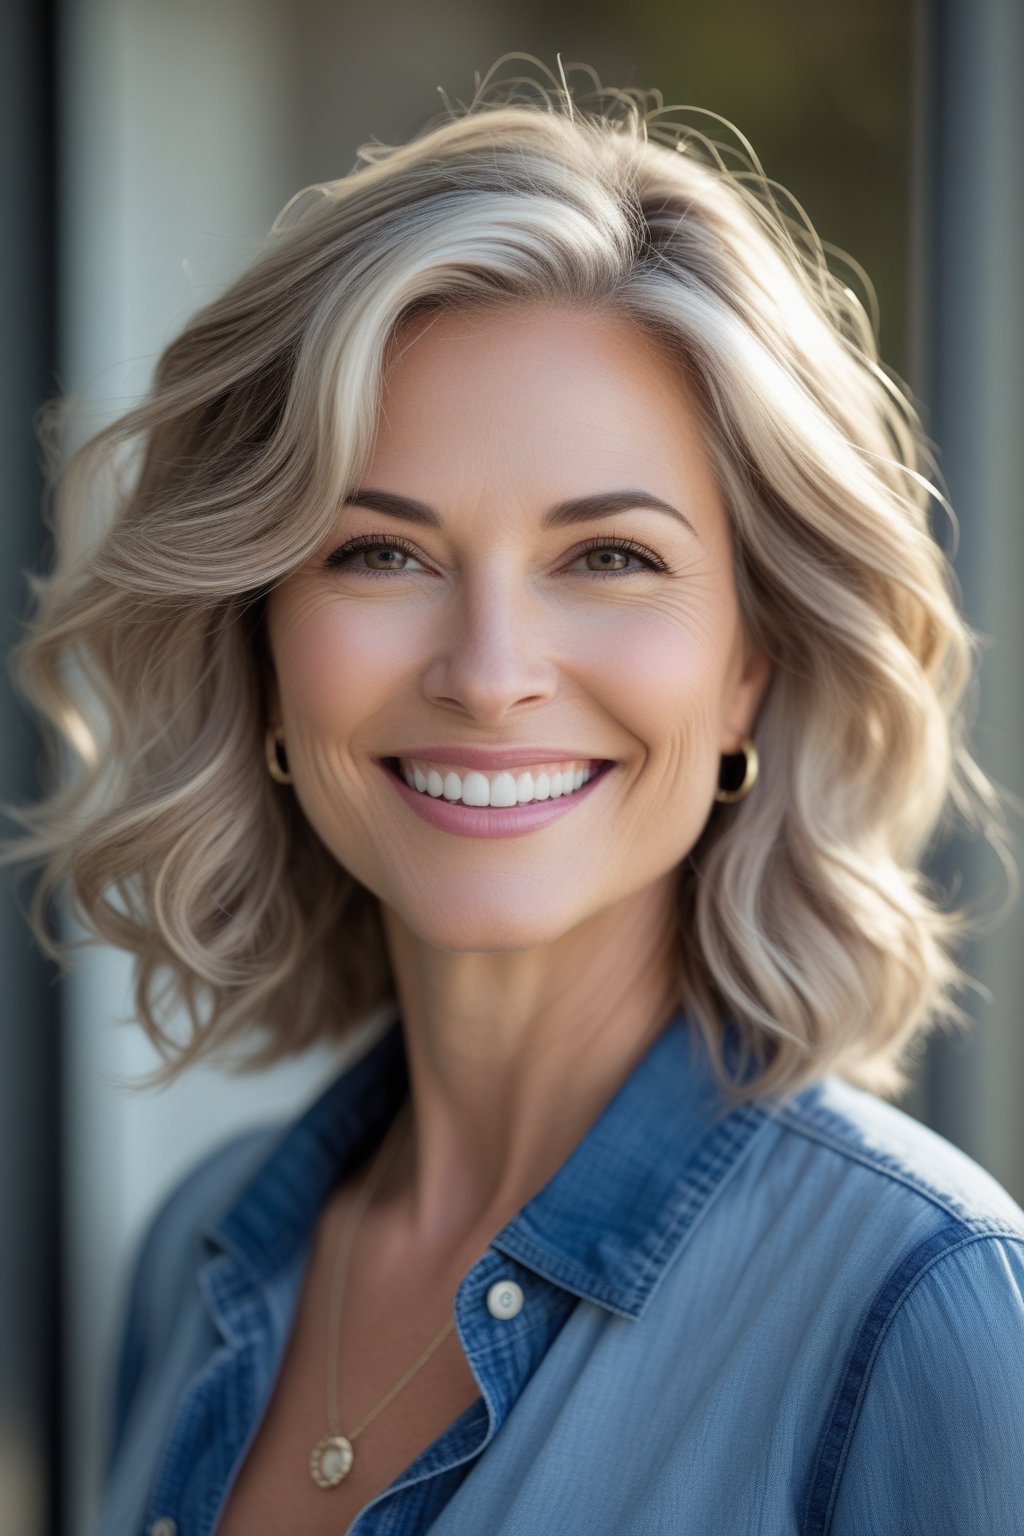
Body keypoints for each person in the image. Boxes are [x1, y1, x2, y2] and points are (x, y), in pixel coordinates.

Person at [8, 59, 1024, 1536]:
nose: (489, 676)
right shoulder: (204, 1257)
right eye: (381, 553)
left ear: (753, 664)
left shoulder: (929, 1310)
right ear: (260, 643)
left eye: (608, 556)